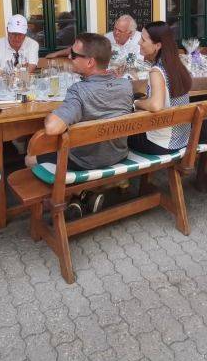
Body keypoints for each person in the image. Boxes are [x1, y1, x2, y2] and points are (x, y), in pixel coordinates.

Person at [25, 33, 134, 213]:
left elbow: (52, 127)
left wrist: (51, 115)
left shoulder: (79, 90)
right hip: (118, 154)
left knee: (29, 158)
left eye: (74, 55)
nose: (69, 57)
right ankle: (85, 194)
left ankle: (63, 199)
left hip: (85, 161)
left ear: (90, 62)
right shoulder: (126, 85)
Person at [130, 21, 193, 153]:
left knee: (120, 136)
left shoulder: (157, 71)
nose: (139, 42)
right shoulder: (176, 65)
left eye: (143, 40)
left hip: (162, 143)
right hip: (183, 140)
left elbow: (155, 105)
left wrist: (135, 103)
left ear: (157, 45)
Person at [45, 14, 141, 61]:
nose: (116, 33)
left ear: (130, 33)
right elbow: (85, 46)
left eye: (120, 31)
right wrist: (57, 54)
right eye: (115, 29)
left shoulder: (140, 40)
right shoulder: (108, 37)